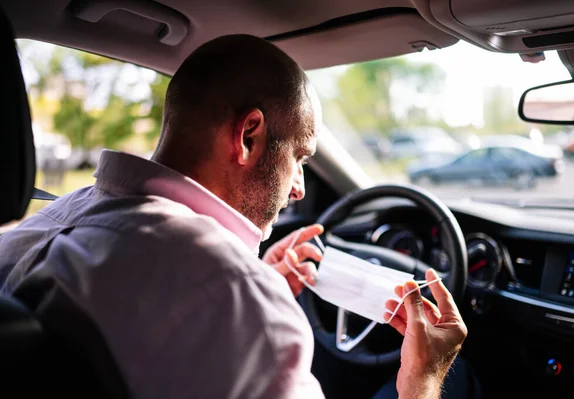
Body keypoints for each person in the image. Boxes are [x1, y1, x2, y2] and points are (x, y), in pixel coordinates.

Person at [0, 34, 469, 398]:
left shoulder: (47, 222)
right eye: (301, 159)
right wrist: (421, 378)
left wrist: (250, 280)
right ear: (248, 135)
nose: (301, 187)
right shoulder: (245, 305)